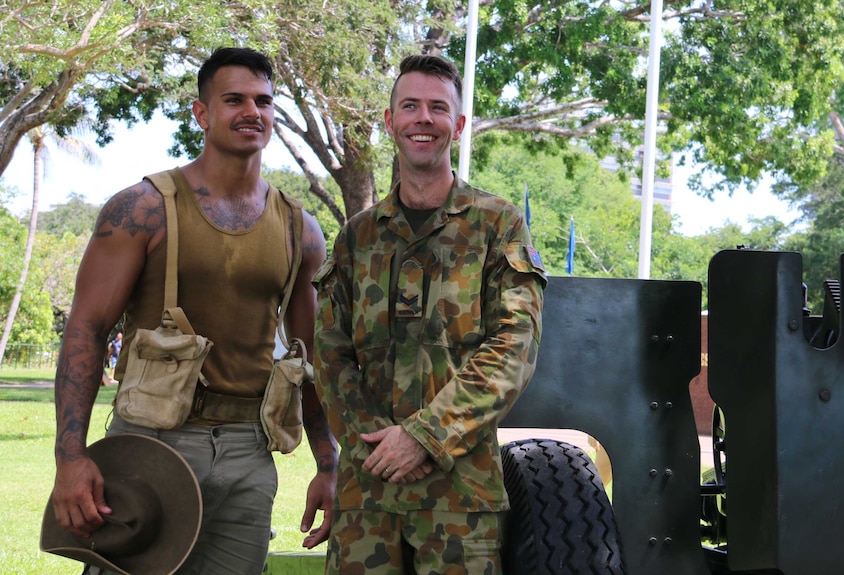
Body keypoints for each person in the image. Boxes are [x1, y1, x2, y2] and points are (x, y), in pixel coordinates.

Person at [50, 47, 337, 574]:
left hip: (250, 452)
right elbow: (86, 330)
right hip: (153, 444)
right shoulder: (141, 208)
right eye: (234, 100)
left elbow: (310, 355)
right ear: (201, 113)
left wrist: (327, 462)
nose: (252, 111)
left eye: (263, 101)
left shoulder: (302, 230)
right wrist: (70, 456)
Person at [313, 54, 547, 574]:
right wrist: (376, 445)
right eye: (410, 106)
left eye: (438, 108)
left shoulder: (497, 225)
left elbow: (514, 347)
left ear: (458, 125)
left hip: (460, 499)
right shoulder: (357, 236)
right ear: (390, 121)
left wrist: (425, 436)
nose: (424, 119)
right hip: (367, 498)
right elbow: (330, 354)